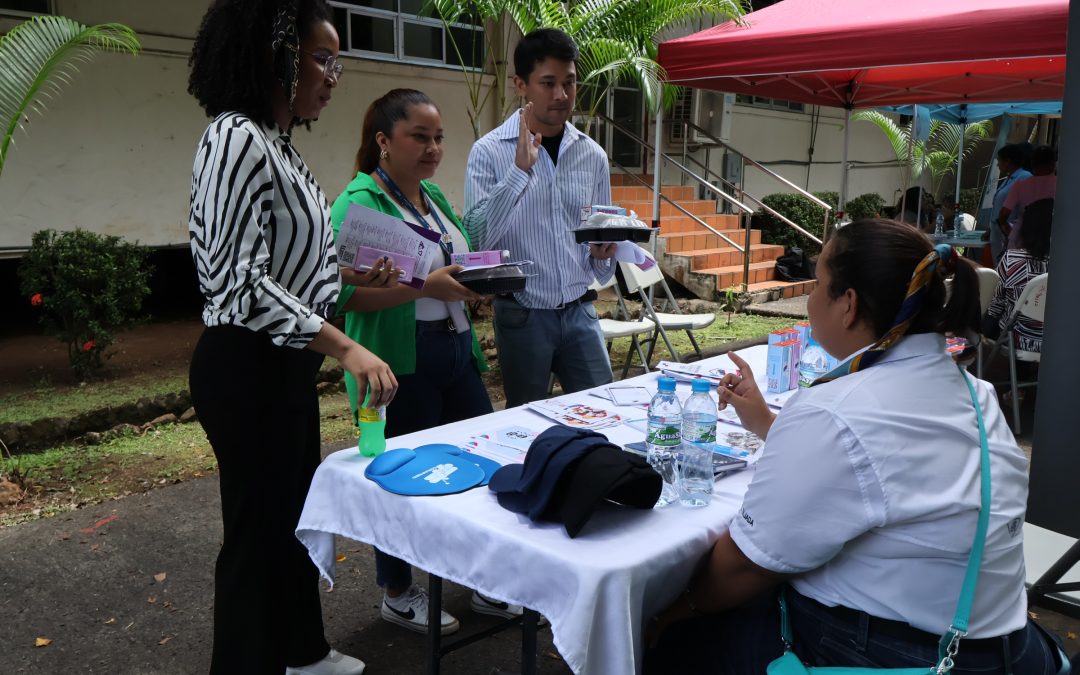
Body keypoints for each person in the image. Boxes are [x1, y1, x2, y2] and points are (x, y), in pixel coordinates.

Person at [644, 220, 1063, 673]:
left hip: (899, 653)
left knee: (679, 644)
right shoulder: (975, 393)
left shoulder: (836, 409)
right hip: (1007, 648)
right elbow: (881, 468)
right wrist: (765, 421)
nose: (809, 298)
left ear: (848, 304)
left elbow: (745, 566)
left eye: (819, 283)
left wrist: (666, 613)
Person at [187, 2, 397, 673]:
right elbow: (238, 284)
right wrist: (345, 344)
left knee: (290, 520)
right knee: (254, 533)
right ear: (276, 53)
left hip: (280, 363)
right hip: (244, 365)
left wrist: (346, 271)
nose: (334, 75)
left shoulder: (277, 143)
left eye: (337, 60)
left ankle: (301, 651)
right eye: (322, 57)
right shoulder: (235, 138)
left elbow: (285, 264)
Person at [330, 88, 524, 635]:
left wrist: (473, 280)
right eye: (420, 136)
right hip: (398, 362)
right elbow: (337, 298)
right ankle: (397, 592)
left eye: (438, 137)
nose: (433, 147)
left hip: (454, 350)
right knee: (403, 481)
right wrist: (423, 288)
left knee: (479, 465)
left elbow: (452, 260)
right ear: (383, 142)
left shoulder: (433, 197)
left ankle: (484, 583)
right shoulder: (359, 203)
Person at [464, 28, 618, 407]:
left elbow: (601, 248)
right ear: (521, 84)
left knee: (605, 412)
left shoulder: (592, 155)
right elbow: (477, 239)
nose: (561, 95)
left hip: (581, 310)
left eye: (569, 82)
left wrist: (604, 253)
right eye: (548, 83)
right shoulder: (488, 152)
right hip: (522, 314)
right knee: (525, 424)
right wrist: (519, 172)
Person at [983, 198, 1053, 353]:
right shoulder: (1068, 268)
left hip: (1015, 340)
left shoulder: (1012, 260)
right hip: (1057, 342)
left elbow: (995, 307)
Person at [1002, 145, 1057, 250]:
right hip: (1051, 241)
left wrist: (1010, 230)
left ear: (1033, 164)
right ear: (1053, 164)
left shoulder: (1020, 185)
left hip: (1021, 241)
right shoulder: (1062, 185)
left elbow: (1003, 214)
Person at [988, 143, 1034, 263]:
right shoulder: (1010, 178)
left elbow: (1025, 207)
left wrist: (1010, 230)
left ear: (1008, 161)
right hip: (998, 233)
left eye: (999, 161)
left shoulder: (1025, 177)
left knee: (1008, 267)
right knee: (999, 267)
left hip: (1010, 233)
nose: (998, 164)